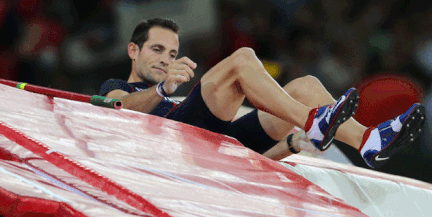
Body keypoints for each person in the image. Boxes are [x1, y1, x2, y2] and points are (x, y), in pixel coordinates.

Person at [99, 18, 425, 169]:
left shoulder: (170, 96)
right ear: (133, 50)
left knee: (307, 85)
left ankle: (366, 141)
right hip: (175, 143)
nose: (165, 60)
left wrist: (290, 145)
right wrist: (161, 88)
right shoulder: (118, 87)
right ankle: (314, 121)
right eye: (157, 50)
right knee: (242, 60)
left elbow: (252, 162)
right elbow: (119, 107)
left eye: (171, 54)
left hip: (222, 147)